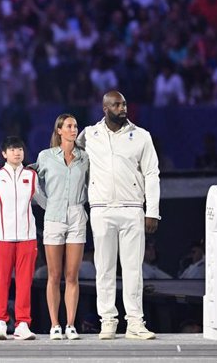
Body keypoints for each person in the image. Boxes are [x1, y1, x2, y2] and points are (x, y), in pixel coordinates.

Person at [76, 91, 161, 340]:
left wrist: (152, 211)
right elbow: (72, 157)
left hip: (132, 208)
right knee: (104, 268)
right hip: (101, 209)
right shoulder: (90, 135)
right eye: (116, 104)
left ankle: (135, 321)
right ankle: (108, 321)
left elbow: (152, 174)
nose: (122, 107)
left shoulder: (141, 136)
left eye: (124, 103)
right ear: (105, 108)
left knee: (134, 268)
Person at [33, 114, 89, 340]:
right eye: (69, 126)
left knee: (72, 274)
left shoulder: (84, 157)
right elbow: (34, 183)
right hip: (54, 217)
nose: (74, 129)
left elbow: (91, 183)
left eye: (75, 126)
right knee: (54, 275)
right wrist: (49, 206)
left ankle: (71, 324)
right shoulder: (46, 156)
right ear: (59, 130)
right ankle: (55, 324)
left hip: (76, 215)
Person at [0, 136, 38, 341]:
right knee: (1, 281)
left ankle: (23, 323)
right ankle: (0, 322)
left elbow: (44, 200)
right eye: (13, 149)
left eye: (20, 149)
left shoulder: (32, 176)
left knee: (25, 282)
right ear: (4, 154)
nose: (17, 153)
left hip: (27, 236)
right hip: (2, 237)